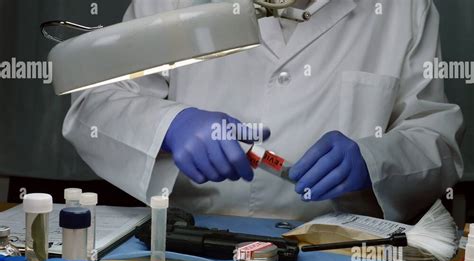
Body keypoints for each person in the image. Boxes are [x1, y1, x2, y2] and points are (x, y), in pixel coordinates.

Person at [63, 0, 464, 223]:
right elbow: (93, 107)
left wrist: (374, 159)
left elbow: (436, 141)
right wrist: (170, 126)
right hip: (189, 239)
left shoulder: (402, 8)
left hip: (335, 247)